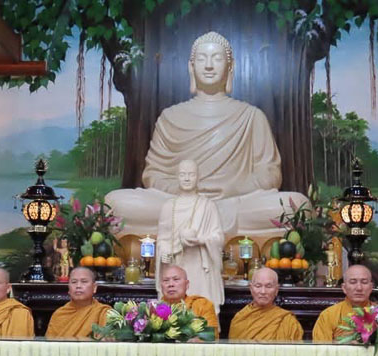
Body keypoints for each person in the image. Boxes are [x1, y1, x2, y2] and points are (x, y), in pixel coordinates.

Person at [106, 31, 307, 238]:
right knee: (115, 204)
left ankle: (198, 226)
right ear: (191, 67)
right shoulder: (170, 117)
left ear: (231, 66)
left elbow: (270, 174)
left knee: (296, 206)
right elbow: (153, 174)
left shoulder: (251, 117)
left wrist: (231, 188)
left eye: (217, 59)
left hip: (235, 203)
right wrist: (184, 190)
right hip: (179, 203)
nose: (209, 66)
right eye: (202, 59)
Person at [156, 160, 224, 310]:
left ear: (198, 177)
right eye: (183, 175)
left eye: (191, 174)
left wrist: (200, 240)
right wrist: (164, 250)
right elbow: (162, 239)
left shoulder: (208, 206)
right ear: (177, 177)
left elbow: (218, 238)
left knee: (200, 311)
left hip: (199, 266)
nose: (187, 179)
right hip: (175, 264)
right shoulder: (168, 206)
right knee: (174, 313)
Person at [228, 267, 303, 341]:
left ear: (276, 290)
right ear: (251, 288)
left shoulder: (288, 321)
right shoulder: (240, 318)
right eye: (258, 286)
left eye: (268, 286)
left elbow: (295, 348)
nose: (263, 291)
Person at [312, 264, 375, 342]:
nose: (359, 288)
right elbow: (320, 348)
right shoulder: (328, 315)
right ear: (344, 288)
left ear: (371, 287)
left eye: (364, 282)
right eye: (353, 282)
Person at [45, 267, 111, 339]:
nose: (78, 286)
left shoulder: (103, 312)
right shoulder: (59, 314)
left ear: (94, 287)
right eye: (74, 282)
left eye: (84, 281)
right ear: (69, 288)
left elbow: (107, 341)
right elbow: (49, 343)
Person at [159, 264, 219, 332]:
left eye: (176, 279)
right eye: (166, 280)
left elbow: (210, 335)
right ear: (161, 286)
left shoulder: (203, 305)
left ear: (187, 284)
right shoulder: (155, 309)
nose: (171, 284)